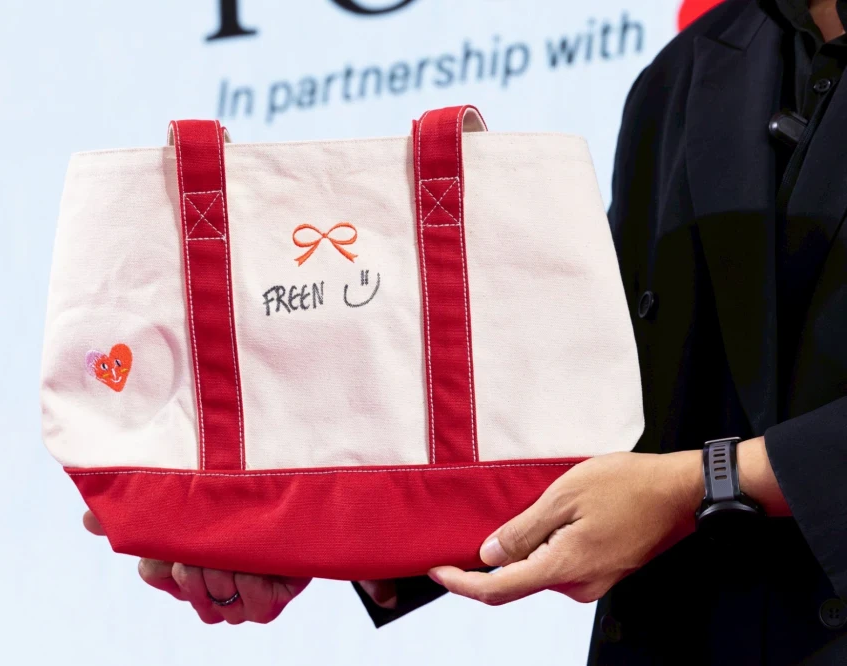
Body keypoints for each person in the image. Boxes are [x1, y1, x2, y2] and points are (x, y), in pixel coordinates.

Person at [84, 0, 847, 661]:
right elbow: (603, 400)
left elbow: (665, 473)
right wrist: (309, 528)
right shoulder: (688, 71)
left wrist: (703, 485)